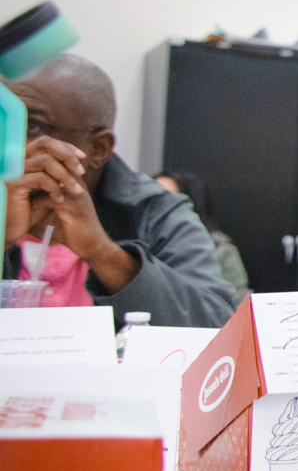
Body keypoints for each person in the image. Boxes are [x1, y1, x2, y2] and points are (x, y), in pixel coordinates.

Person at [1, 55, 235, 326]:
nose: (10, 143)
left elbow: (217, 328)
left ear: (98, 148)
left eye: (32, 125)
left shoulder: (154, 211)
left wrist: (102, 252)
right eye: (5, 122)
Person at [155, 168, 250, 299]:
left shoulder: (221, 250)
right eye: (152, 199)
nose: (157, 208)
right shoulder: (133, 246)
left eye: (166, 200)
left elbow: (240, 304)